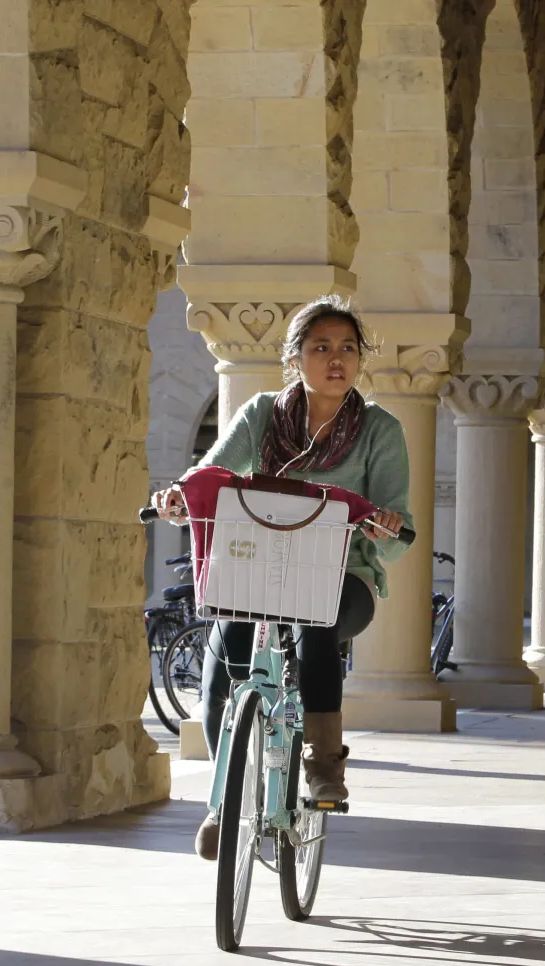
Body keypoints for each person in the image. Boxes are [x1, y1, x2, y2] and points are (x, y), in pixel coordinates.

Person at [152, 295, 412, 859]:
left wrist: (385, 524)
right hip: (258, 570)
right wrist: (181, 491)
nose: (336, 359)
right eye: (321, 347)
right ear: (295, 358)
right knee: (224, 654)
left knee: (317, 620)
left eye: (348, 348)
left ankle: (323, 762)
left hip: (344, 576)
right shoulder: (262, 414)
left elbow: (398, 514)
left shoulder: (379, 429)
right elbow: (214, 469)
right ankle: (224, 803)